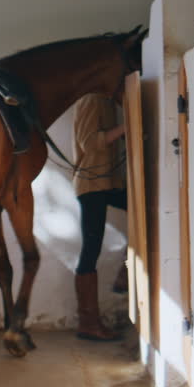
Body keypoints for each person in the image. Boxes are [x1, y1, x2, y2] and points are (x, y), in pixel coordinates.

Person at [71, 92, 128, 341]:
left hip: (107, 183)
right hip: (90, 185)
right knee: (90, 250)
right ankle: (88, 323)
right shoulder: (91, 99)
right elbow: (89, 143)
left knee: (146, 212)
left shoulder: (106, 101)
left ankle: (126, 272)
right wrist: (125, 128)